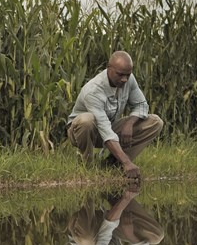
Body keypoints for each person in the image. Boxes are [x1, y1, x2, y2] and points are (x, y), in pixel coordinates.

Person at [67, 51, 163, 179]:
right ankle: (88, 168)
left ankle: (113, 165)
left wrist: (129, 124)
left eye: (127, 75)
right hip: (82, 131)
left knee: (155, 122)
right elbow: (104, 129)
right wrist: (127, 162)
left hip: (109, 126)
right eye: (120, 75)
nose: (124, 79)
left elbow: (141, 105)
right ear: (108, 68)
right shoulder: (93, 90)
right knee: (87, 120)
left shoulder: (129, 79)